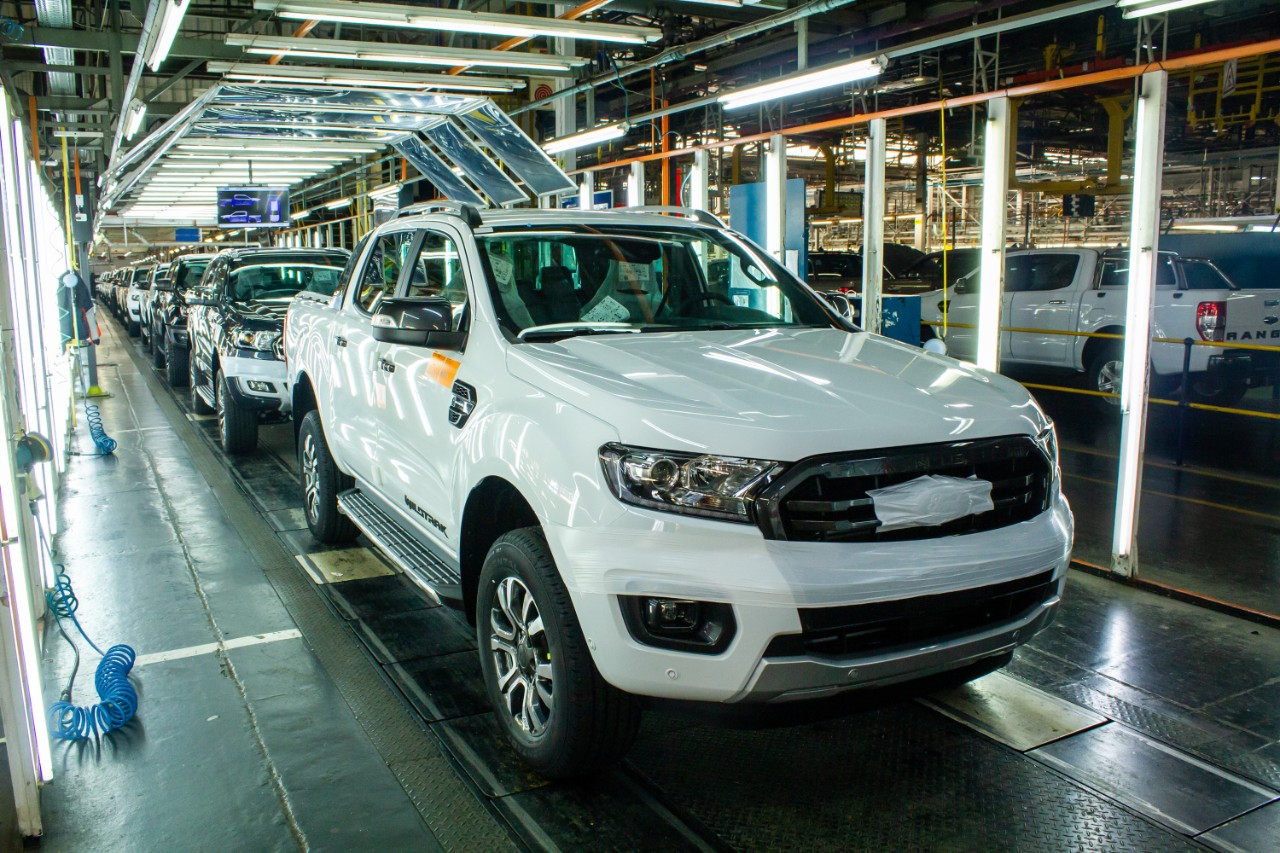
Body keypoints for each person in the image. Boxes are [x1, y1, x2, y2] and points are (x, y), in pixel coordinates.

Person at [58, 269, 99, 347]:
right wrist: (95, 337)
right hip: (79, 334)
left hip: (74, 335)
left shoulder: (64, 283)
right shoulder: (76, 283)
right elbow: (88, 310)